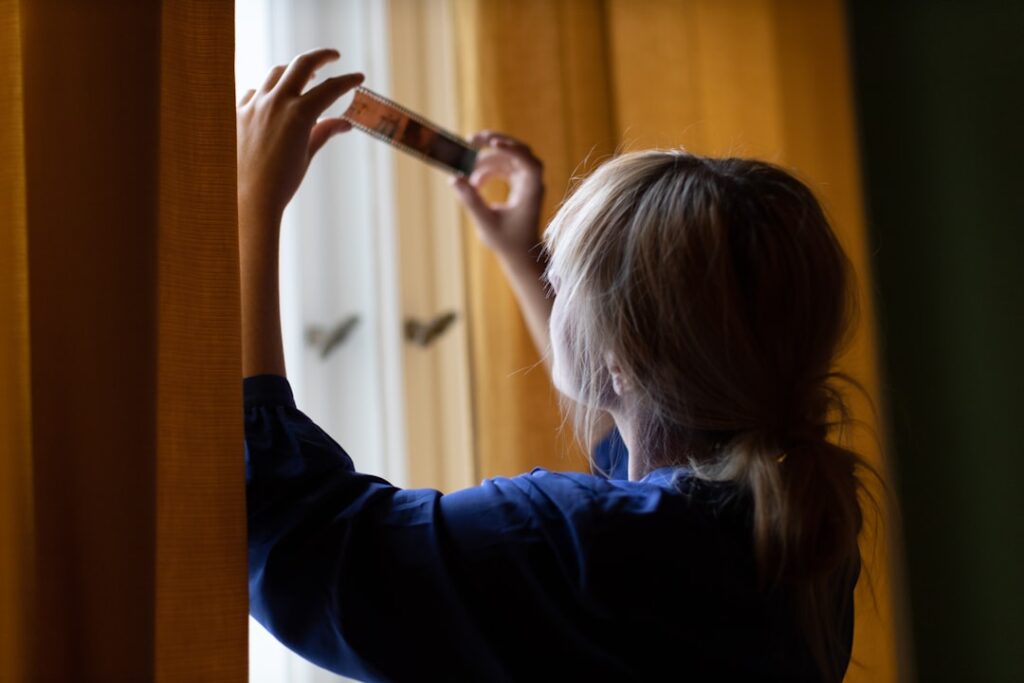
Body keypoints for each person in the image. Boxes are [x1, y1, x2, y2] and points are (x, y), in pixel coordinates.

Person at [238, 48, 870, 682]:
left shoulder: (574, 542)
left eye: (563, 281)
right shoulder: (796, 530)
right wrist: (523, 256)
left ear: (626, 356)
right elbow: (641, 421)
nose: (553, 285)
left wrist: (246, 211)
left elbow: (300, 540)